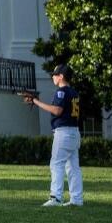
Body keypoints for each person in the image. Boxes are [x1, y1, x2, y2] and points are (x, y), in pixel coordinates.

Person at [26, 63, 83, 207]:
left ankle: (56, 197)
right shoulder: (74, 92)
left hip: (63, 132)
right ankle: (76, 199)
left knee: (56, 164)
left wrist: (36, 101)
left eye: (55, 74)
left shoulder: (61, 92)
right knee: (73, 167)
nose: (53, 77)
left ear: (61, 76)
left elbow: (57, 111)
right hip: (74, 132)